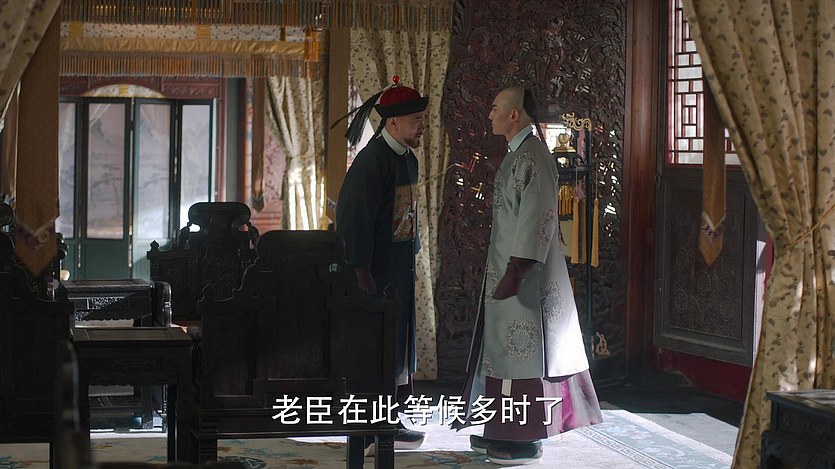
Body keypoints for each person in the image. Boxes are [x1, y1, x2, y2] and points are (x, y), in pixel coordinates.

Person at [457, 86, 603, 465]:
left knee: (522, 355)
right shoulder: (517, 154)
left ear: (514, 114)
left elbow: (537, 218)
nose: (490, 114)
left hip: (525, 279)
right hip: (509, 272)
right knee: (503, 354)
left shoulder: (534, 156)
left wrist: (517, 270)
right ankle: (500, 429)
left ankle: (522, 438)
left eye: (495, 108)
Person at [334, 76, 427, 452]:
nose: (421, 127)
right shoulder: (371, 162)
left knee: (397, 345)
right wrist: (360, 271)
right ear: (393, 122)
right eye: (416, 120)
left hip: (399, 269)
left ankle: (389, 420)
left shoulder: (407, 159)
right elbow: (353, 221)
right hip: (374, 273)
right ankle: (371, 428)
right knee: (377, 348)